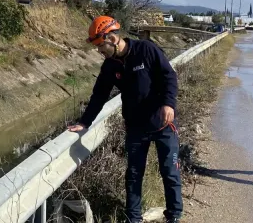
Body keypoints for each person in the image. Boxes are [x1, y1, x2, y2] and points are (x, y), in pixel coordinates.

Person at [67, 16, 182, 223]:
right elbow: (99, 96)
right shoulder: (110, 66)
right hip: (136, 126)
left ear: (112, 38)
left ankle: (174, 215)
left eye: (100, 46)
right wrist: (85, 122)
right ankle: (134, 218)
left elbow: (169, 76)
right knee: (134, 175)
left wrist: (168, 104)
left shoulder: (145, 49)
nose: (99, 51)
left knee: (169, 171)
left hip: (163, 121)